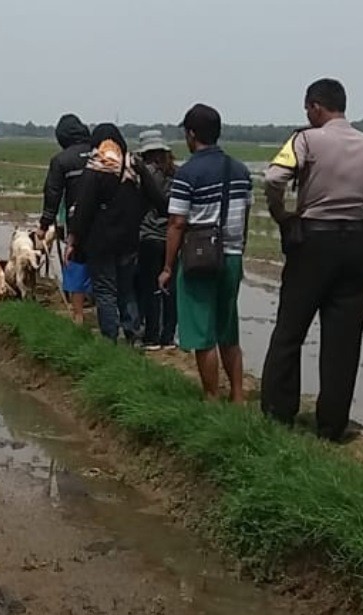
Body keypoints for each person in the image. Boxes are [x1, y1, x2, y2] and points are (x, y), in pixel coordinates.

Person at [260, 78, 363, 442]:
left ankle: (278, 413)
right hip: (357, 247)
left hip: (313, 242)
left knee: (290, 330)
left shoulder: (304, 139)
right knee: (344, 342)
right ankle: (332, 425)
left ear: (315, 107)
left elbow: (273, 178)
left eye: (308, 109)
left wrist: (282, 215)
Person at [159, 104, 252, 402]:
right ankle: (237, 397)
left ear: (192, 134)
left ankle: (211, 397)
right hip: (232, 255)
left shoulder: (187, 174)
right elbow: (246, 214)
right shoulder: (240, 170)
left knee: (202, 334)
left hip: (199, 257)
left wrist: (168, 266)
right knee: (228, 330)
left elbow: (176, 223)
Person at [69, 123, 148, 344]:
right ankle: (134, 336)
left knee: (105, 291)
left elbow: (82, 209)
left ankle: (109, 340)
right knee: (126, 290)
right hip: (129, 241)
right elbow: (158, 199)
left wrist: (74, 239)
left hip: (101, 243)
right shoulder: (133, 166)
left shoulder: (95, 168)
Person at [37, 114, 94, 324]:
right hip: (106, 223)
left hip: (77, 224)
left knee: (76, 264)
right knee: (104, 269)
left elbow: (52, 194)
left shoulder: (61, 160)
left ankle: (78, 316)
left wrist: (44, 225)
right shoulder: (101, 155)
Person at [133, 130, 178, 351]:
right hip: (173, 237)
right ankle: (168, 336)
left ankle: (151, 336)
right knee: (170, 287)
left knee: (149, 287)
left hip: (149, 236)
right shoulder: (176, 174)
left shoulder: (143, 175)